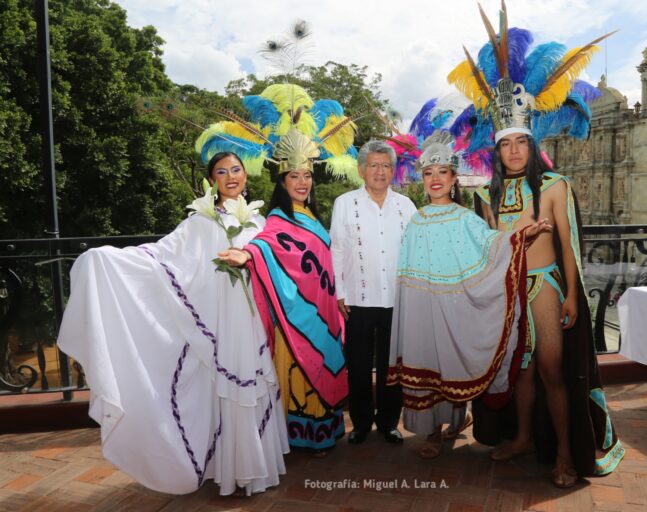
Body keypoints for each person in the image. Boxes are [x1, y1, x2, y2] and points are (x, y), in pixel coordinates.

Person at [446, 2, 624, 488]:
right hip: (506, 291)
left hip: (544, 287)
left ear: (532, 144)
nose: (514, 151)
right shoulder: (492, 193)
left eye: (521, 143)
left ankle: (565, 452)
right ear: (498, 150)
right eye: (506, 145)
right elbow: (487, 246)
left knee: (549, 371)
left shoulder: (554, 186)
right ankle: (523, 437)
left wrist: (569, 294)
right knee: (517, 374)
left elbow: (568, 249)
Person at [57, 151, 289, 496]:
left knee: (250, 384)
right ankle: (225, 468)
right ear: (212, 181)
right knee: (220, 387)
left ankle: (253, 467)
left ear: (246, 176)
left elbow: (275, 261)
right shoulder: (201, 221)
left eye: (236, 170)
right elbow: (164, 255)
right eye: (221, 172)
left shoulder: (259, 221)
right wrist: (108, 259)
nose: (230, 177)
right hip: (217, 316)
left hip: (251, 315)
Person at [386, 131, 551, 459]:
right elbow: (405, 272)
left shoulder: (466, 218)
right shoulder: (415, 221)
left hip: (454, 304)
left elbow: (493, 245)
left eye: (442, 172)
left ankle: (454, 422)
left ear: (453, 178)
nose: (435, 179)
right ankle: (432, 431)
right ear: (422, 179)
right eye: (429, 173)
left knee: (451, 361)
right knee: (428, 359)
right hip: (422, 304)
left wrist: (521, 236)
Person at [218, 128, 348, 455]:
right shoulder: (278, 217)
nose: (302, 182)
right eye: (294, 176)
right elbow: (267, 242)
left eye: (307, 175)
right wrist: (248, 254)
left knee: (323, 361)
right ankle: (301, 435)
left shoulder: (313, 216)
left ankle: (326, 427)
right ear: (282, 182)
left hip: (325, 306)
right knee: (302, 365)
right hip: (298, 313)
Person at [329, 140, 417, 445]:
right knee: (359, 365)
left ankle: (389, 422)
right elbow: (337, 250)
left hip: (397, 299)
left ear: (393, 170)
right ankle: (362, 423)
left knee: (393, 367)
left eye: (386, 166)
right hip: (357, 299)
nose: (380, 171)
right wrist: (340, 292)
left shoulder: (406, 206)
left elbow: (416, 252)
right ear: (361, 169)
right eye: (374, 165)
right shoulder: (344, 203)